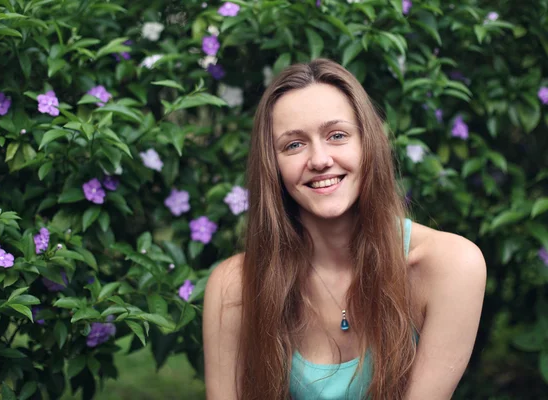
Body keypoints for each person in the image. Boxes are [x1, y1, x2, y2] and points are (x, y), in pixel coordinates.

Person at [203, 58, 486, 400]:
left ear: (368, 143)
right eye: (294, 144)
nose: (320, 159)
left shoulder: (450, 266)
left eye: (337, 135)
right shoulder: (235, 285)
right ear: (272, 165)